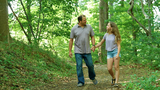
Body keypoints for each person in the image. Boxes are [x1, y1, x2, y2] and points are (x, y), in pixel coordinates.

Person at [69, 14, 98, 87]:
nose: (86, 21)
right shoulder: (74, 28)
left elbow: (92, 36)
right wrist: (70, 51)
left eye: (86, 19)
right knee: (79, 66)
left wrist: (93, 45)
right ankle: (81, 81)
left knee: (90, 65)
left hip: (87, 50)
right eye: (84, 20)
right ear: (80, 21)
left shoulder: (89, 27)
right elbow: (71, 40)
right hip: (78, 51)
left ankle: (92, 77)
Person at [91, 22, 121, 87]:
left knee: (116, 67)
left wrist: (118, 54)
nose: (106, 26)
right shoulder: (106, 35)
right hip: (109, 53)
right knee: (109, 68)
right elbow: (101, 43)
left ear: (112, 27)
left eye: (108, 25)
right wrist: (94, 46)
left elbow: (118, 45)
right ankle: (113, 77)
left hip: (115, 51)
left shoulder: (116, 35)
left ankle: (116, 82)